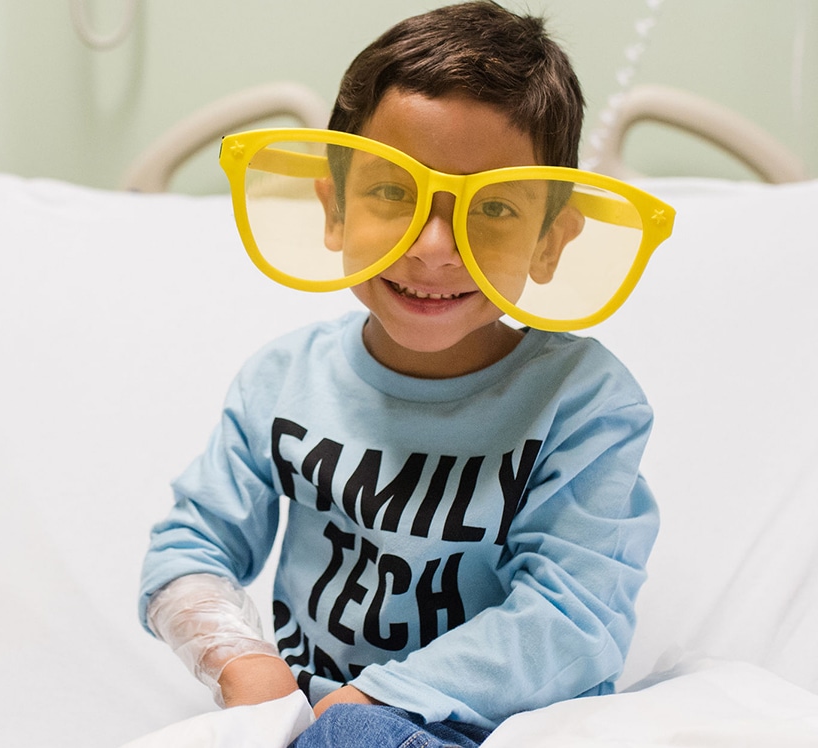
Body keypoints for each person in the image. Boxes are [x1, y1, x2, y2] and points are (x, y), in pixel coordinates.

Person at [138, 3, 669, 746]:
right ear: (335, 209)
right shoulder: (282, 383)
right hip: (314, 722)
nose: (433, 249)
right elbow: (187, 551)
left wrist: (369, 699)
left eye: (493, 209)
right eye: (392, 191)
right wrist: (243, 663)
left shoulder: (582, 404)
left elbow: (574, 618)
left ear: (550, 241)